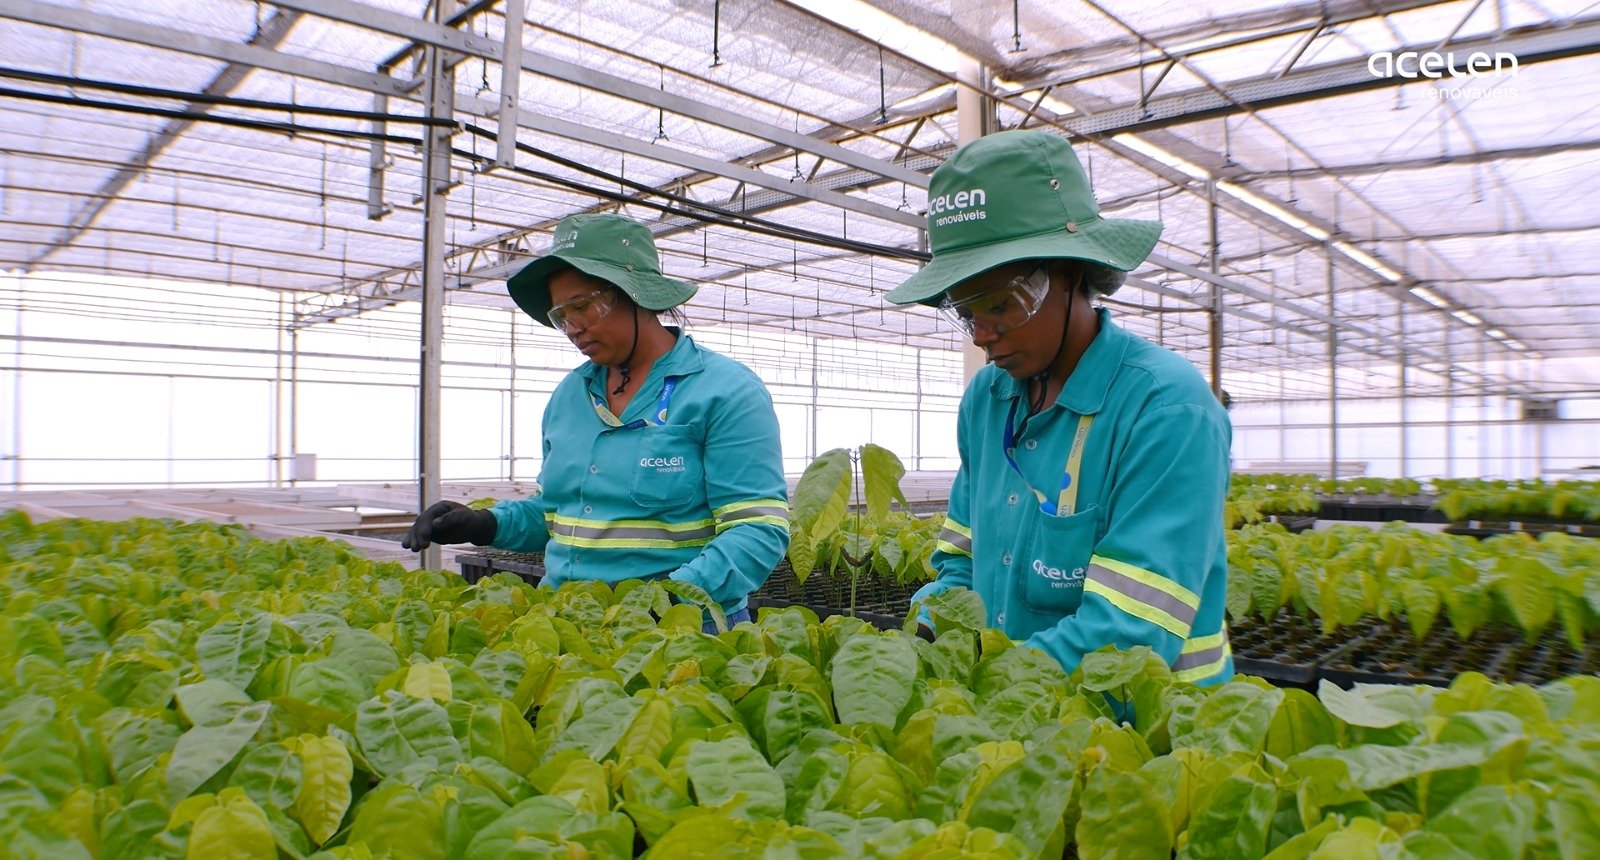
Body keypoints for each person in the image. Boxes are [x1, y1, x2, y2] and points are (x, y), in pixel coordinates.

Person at [888, 130, 1233, 686]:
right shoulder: (988, 399)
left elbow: (1131, 630)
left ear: (1072, 274)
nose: (981, 334)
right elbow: (960, 561)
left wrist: (991, 686)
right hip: (1014, 723)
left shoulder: (1166, 409)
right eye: (965, 310)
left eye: (1001, 304)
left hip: (1149, 737)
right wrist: (924, 638)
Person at [403, 214, 789, 631]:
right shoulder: (570, 397)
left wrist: (668, 601)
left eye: (582, 307)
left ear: (634, 293)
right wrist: (485, 523)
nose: (572, 328)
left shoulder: (725, 391)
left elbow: (757, 528)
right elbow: (558, 515)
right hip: (569, 624)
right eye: (561, 315)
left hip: (685, 632)